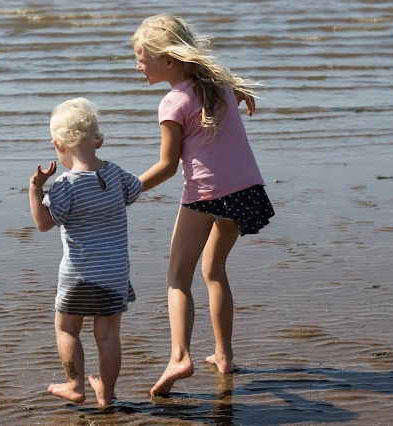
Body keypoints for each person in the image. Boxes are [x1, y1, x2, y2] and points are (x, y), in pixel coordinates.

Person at [131, 14, 275, 396]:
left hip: (206, 196)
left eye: (142, 57)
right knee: (214, 270)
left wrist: (126, 189)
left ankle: (180, 355)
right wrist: (241, 93)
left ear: (169, 60)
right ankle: (224, 355)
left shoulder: (173, 102)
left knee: (178, 277)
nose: (137, 65)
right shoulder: (219, 85)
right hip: (246, 192)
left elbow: (166, 166)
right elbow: (231, 90)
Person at [28, 97, 143, 406]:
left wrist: (36, 190)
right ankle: (106, 393)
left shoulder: (65, 185)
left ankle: (75, 385)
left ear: (58, 145)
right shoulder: (117, 175)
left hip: (78, 276)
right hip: (114, 275)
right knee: (107, 337)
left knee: (66, 329)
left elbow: (43, 223)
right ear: (99, 141)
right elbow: (136, 189)